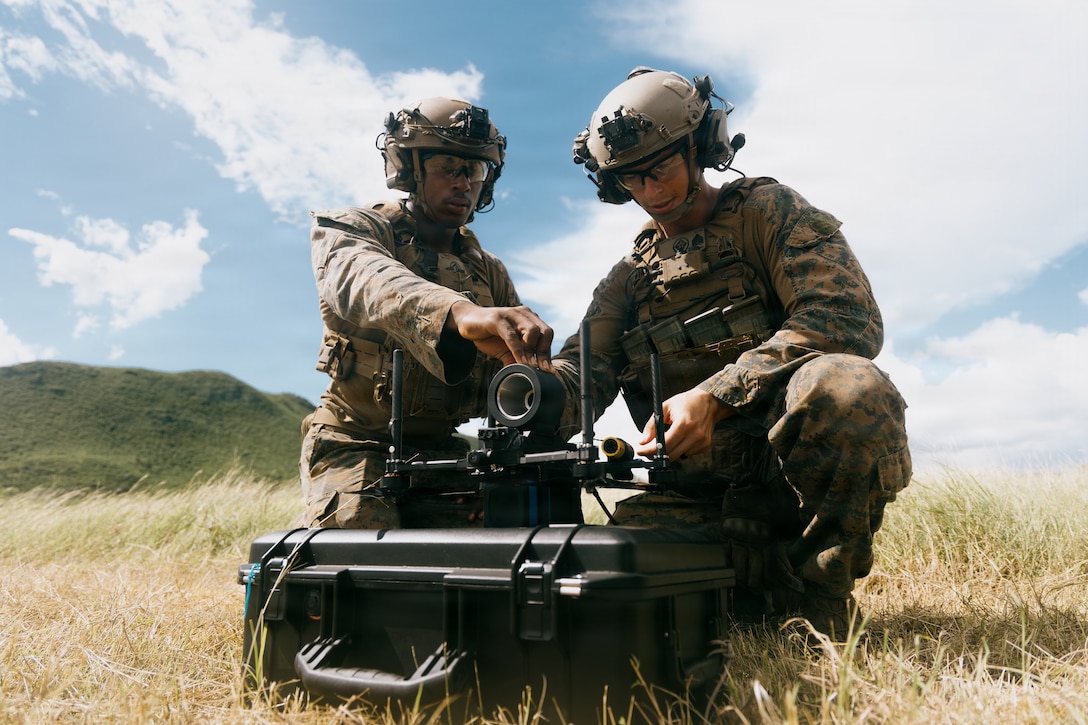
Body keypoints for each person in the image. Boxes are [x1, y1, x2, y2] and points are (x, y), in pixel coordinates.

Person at [552, 68, 912, 639]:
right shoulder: (626, 282)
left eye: (661, 168)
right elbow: (580, 377)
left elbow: (845, 319)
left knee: (849, 388)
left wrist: (715, 396)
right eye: (631, 180)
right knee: (600, 597)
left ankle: (820, 597)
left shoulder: (769, 213)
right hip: (688, 499)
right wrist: (531, 392)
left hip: (787, 491)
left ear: (699, 147)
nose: (652, 192)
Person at [297, 97, 553, 530]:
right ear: (411, 171)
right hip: (356, 441)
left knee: (513, 537)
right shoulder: (353, 229)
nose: (463, 184)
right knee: (360, 542)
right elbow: (365, 279)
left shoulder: (488, 272)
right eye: (447, 168)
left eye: (473, 171)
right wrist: (460, 312)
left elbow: (513, 376)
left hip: (445, 452)